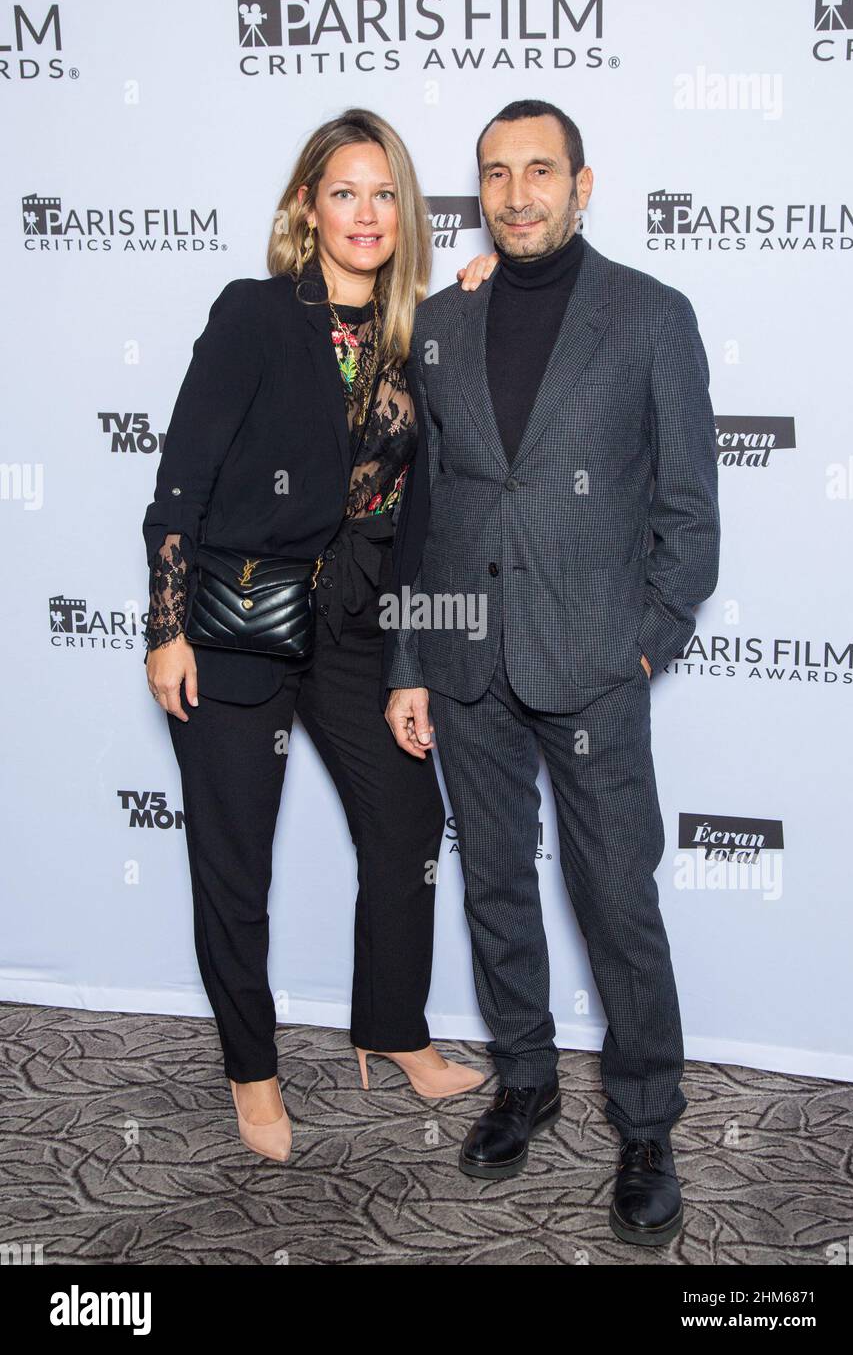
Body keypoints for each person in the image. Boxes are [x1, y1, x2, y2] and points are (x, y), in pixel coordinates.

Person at [383, 98, 721, 1245]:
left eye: (539, 171)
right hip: (467, 658)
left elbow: (687, 513)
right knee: (493, 889)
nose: (515, 193)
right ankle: (522, 1078)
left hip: (591, 668)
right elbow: (421, 511)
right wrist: (411, 657)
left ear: (583, 183)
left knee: (617, 901)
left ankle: (644, 1121)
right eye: (494, 172)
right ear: (475, 188)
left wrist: (642, 645)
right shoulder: (436, 323)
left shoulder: (649, 317)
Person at [142, 108, 495, 1163]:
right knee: (232, 861)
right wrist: (166, 629)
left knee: (402, 825)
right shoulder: (253, 314)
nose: (365, 213)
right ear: (307, 205)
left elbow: (427, 509)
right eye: (344, 191)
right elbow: (181, 482)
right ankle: (252, 1074)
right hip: (237, 623)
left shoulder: (423, 333)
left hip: (356, 627)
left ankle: (392, 1031)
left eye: (384, 193)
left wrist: (486, 293)